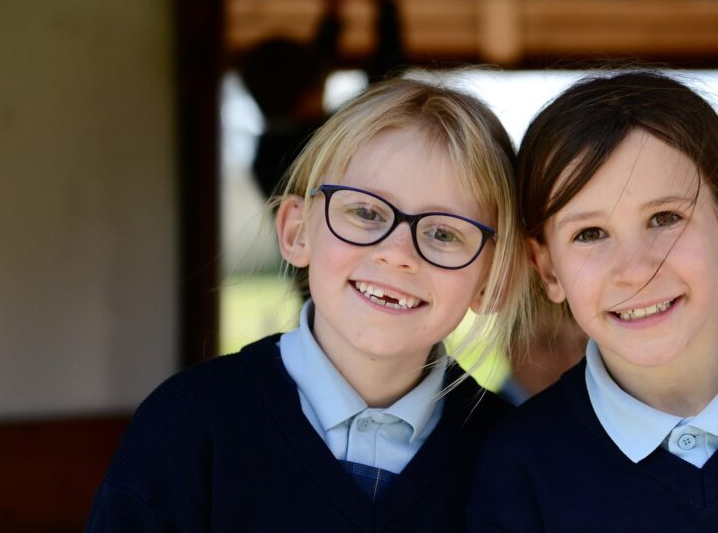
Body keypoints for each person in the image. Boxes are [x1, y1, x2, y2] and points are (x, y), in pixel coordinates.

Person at [86, 76, 530, 531]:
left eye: (444, 233)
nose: (397, 254)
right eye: (366, 212)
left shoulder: (518, 459)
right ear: (297, 233)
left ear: (493, 280)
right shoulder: (186, 427)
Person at [467, 71, 718, 531]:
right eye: (589, 234)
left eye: (665, 218)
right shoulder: (520, 466)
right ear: (549, 268)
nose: (635, 269)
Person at [238, 0, 404, 199]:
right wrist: (387, 6)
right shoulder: (317, 143)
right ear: (308, 97)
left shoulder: (268, 154)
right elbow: (384, 90)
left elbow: (313, 67)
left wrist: (332, 13)